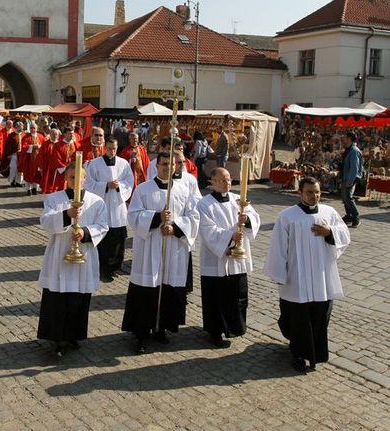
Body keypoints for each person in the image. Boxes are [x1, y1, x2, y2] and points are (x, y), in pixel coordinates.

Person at [264, 176, 350, 372]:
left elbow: (344, 233)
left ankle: (317, 354)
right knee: (299, 319)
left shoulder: (329, 212)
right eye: (310, 192)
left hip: (322, 276)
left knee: (320, 316)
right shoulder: (288, 216)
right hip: (297, 277)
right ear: (300, 193)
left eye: (318, 192)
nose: (315, 196)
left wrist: (330, 232)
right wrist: (280, 275)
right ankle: (299, 354)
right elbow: (278, 248)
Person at [122, 152, 200, 353]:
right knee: (147, 290)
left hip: (173, 247)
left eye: (171, 164)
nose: (167, 167)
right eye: (164, 164)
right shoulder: (143, 189)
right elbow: (133, 215)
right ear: (156, 166)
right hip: (150, 247)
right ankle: (141, 333)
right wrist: (156, 219)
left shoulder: (184, 190)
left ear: (176, 166)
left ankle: (162, 328)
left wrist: (175, 227)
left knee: (168, 289)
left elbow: (194, 216)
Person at [37, 162, 109, 356]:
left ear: (85, 179)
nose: (76, 181)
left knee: (79, 297)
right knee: (58, 298)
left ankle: (75, 335)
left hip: (83, 255)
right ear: (65, 179)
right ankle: (57, 338)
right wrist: (67, 215)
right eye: (71, 177)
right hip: (59, 255)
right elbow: (45, 221)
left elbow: (103, 225)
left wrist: (85, 233)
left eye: (80, 178)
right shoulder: (54, 199)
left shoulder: (96, 201)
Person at [197, 167, 261, 348]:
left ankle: (234, 327)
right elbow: (207, 230)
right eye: (223, 180)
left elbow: (255, 218)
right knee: (216, 297)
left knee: (237, 295)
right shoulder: (204, 204)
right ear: (213, 181)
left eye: (229, 179)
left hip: (237, 259)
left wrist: (247, 220)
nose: (227, 183)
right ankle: (214, 331)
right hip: (216, 259)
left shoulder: (238, 200)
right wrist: (229, 237)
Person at [84, 137, 133, 282]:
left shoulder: (123, 164)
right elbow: (89, 183)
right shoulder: (95, 164)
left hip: (117, 204)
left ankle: (115, 266)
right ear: (105, 148)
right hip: (102, 203)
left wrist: (119, 186)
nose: (112, 151)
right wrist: (105, 185)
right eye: (110, 148)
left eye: (114, 148)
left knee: (117, 238)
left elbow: (129, 182)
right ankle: (102, 266)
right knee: (103, 236)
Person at [43, 126, 77, 194]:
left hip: (73, 172)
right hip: (61, 172)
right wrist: (66, 169)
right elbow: (56, 158)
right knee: (60, 189)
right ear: (64, 134)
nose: (72, 135)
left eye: (72, 133)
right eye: (70, 133)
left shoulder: (76, 145)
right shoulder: (58, 145)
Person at [340, 132, 364, 228]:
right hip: (346, 177)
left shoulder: (354, 151)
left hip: (349, 178)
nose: (343, 139)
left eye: (345, 137)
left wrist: (350, 181)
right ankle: (349, 216)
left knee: (348, 198)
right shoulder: (349, 150)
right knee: (345, 198)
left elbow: (354, 168)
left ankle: (356, 217)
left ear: (349, 138)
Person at [19, 122, 45, 195]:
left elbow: (44, 146)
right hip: (29, 159)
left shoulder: (41, 136)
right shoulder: (26, 137)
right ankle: (28, 189)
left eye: (34, 128)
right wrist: (32, 147)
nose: (32, 129)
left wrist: (40, 147)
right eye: (31, 128)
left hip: (38, 159)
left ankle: (35, 188)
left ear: (37, 129)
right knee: (28, 174)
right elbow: (24, 147)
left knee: (37, 174)